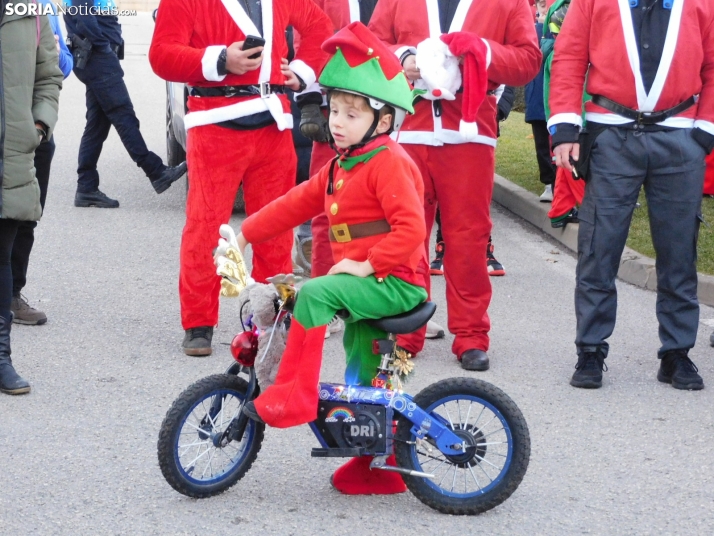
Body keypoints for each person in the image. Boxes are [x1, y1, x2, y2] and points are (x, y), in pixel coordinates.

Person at [240, 22, 427, 494]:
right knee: (362, 376)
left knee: (316, 291)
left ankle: (293, 393)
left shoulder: (390, 163)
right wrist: (245, 232)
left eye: (351, 114)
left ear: (383, 122)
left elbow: (412, 230)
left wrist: (367, 264)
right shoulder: (341, 166)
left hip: (395, 282)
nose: (337, 122)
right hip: (370, 287)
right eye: (335, 110)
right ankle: (376, 469)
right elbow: (295, 203)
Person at [149, 0, 332, 356]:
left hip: (273, 122)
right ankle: (198, 323)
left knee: (276, 229)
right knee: (206, 228)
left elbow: (320, 25)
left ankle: (274, 315)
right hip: (214, 124)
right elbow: (161, 55)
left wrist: (302, 71)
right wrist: (220, 60)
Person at [550, 0, 714, 390]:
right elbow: (570, 58)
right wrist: (565, 129)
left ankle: (676, 352)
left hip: (680, 136)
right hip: (611, 133)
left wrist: (705, 130)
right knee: (598, 246)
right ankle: (590, 349)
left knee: (679, 250)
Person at [369, 0, 542, 370]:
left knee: (469, 238)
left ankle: (471, 335)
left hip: (470, 136)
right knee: (404, 235)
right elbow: (373, 43)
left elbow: (528, 61)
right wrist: (403, 59)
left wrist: (482, 51)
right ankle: (406, 332)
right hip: (409, 130)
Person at [64, 0, 187, 208]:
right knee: (124, 115)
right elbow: (85, 20)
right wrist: (104, 48)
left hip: (97, 58)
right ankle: (156, 172)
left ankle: (86, 187)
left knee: (97, 124)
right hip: (98, 59)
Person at [0, 2, 63, 394]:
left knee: (2, 257)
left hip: (11, 157)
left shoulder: (29, 9)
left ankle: (1, 357)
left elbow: (48, 76)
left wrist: (37, 127)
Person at [10, 0, 73, 326]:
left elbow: (61, 65)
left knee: (26, 217)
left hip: (33, 134)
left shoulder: (40, 8)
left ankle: (12, 293)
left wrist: (39, 126)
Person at [525, 0, 557, 203]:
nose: (544, 10)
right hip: (537, 96)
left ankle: (562, 184)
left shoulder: (562, 31)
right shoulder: (531, 31)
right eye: (542, 5)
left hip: (557, 99)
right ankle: (549, 183)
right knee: (542, 143)